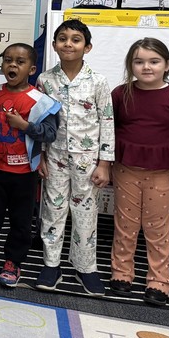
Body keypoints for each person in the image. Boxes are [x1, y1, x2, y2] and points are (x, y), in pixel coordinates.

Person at [109, 38, 169, 306]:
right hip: (126, 169)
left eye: (154, 61)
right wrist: (103, 163)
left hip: (163, 173)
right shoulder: (120, 93)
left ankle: (159, 281)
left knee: (157, 228)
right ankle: (121, 273)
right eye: (139, 62)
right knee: (125, 226)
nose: (146, 67)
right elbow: (108, 130)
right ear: (131, 66)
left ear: (167, 65)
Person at [35, 18, 115, 296]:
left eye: (76, 39)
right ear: (55, 45)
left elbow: (107, 122)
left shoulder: (98, 82)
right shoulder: (45, 80)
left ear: (87, 47)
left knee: (85, 213)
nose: (68, 43)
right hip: (54, 156)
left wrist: (105, 163)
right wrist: (40, 157)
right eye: (63, 38)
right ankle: (51, 264)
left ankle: (85, 267)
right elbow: (40, 121)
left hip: (88, 160)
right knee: (52, 211)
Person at [0, 43, 60, 288]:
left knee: (21, 221)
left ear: (31, 69)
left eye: (19, 62)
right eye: (8, 60)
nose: (12, 65)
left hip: (25, 174)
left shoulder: (39, 101)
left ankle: (13, 261)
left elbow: (50, 133)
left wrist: (25, 126)